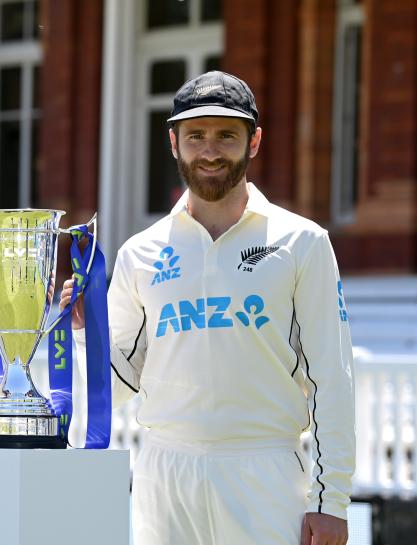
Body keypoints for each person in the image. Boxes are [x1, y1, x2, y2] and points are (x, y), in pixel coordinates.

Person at [61, 71, 354, 545]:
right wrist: (83, 331)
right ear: (174, 142)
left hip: (266, 472)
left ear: (254, 141)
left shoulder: (303, 242)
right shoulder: (141, 251)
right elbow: (116, 386)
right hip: (164, 472)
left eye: (227, 136)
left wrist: (331, 501)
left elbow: (332, 379)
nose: (211, 151)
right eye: (196, 136)